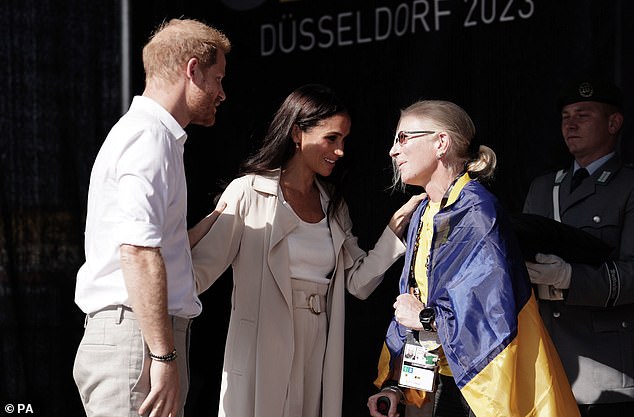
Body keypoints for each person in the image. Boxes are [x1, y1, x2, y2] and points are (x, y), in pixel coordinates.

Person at [187, 84, 422, 417]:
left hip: (316, 348)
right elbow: (198, 273)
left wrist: (393, 230)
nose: (340, 151)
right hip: (260, 348)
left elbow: (358, 283)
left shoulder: (333, 205)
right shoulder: (249, 192)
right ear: (297, 133)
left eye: (343, 140)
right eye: (331, 138)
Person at [367, 100, 579, 417]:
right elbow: (416, 304)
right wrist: (396, 385)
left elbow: (491, 317)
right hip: (445, 384)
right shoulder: (425, 212)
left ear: (441, 143)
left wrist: (425, 318)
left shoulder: (477, 211)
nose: (393, 151)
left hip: (483, 389)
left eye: (403, 138)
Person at [73, 19, 230, 417]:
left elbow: (151, 243)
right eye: (217, 79)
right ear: (192, 70)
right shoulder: (149, 137)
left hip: (136, 339)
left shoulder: (152, 135)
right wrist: (163, 357)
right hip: (138, 344)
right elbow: (138, 252)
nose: (222, 94)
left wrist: (211, 223)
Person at [523, 79, 634, 416]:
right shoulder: (544, 187)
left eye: (583, 115)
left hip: (604, 368)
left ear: (613, 123)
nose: (570, 125)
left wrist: (569, 277)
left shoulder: (628, 185)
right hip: (546, 362)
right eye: (565, 116)